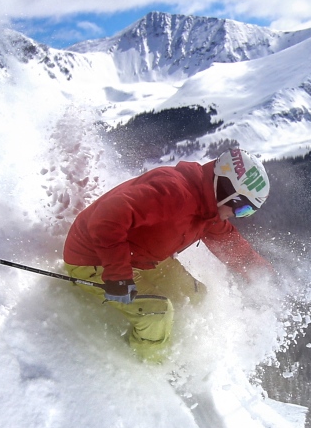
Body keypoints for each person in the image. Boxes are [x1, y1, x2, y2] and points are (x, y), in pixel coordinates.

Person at [63, 147, 273, 360]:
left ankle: (169, 346)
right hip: (93, 258)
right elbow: (106, 219)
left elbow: (231, 245)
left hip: (142, 257)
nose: (238, 216)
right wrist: (118, 274)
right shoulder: (173, 192)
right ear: (229, 192)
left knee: (196, 296)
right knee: (157, 312)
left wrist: (265, 276)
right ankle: (144, 368)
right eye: (243, 210)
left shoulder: (208, 211)